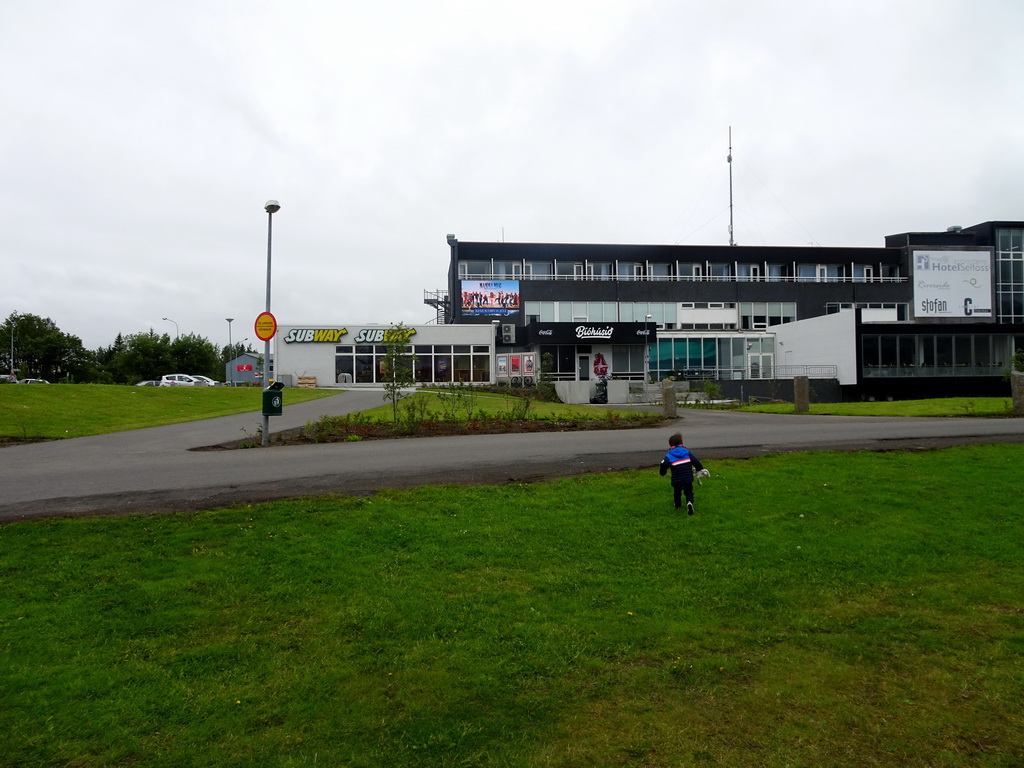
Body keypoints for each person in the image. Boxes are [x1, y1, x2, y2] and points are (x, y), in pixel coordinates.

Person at [659, 432, 705, 515]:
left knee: (677, 493)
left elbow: (663, 465)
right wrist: (699, 469)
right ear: (682, 443)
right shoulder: (687, 453)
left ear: (670, 445)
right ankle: (689, 502)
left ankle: (677, 505)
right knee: (689, 492)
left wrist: (663, 472)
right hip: (688, 478)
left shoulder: (669, 456)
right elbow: (697, 462)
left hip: (677, 479)